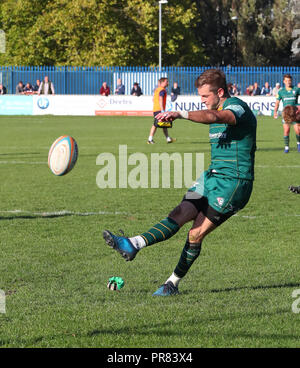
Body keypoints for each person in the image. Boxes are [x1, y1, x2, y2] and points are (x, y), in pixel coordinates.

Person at [103, 69, 257, 296]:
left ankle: (172, 283)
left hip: (234, 184)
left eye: (205, 96)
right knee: (180, 212)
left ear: (220, 92)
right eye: (200, 96)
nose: (202, 101)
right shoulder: (211, 109)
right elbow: (210, 115)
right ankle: (133, 244)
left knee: (195, 234)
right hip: (210, 178)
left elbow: (217, 117)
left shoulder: (237, 107)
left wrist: (180, 114)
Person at [273, 74, 300, 153]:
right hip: (286, 114)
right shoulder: (281, 91)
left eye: (289, 80)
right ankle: (287, 147)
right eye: (286, 81)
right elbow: (277, 103)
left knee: (298, 130)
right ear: (284, 81)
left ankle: (298, 144)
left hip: (295, 114)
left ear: (291, 81)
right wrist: (275, 111)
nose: (288, 82)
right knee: (286, 130)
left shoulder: (296, 89)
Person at [147, 77, 175, 144]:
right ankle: (150, 139)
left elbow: (153, 99)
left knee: (164, 124)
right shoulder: (162, 90)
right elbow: (160, 99)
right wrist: (162, 110)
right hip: (159, 110)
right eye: (166, 81)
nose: (167, 83)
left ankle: (168, 139)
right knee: (156, 124)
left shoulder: (157, 89)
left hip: (156, 109)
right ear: (162, 82)